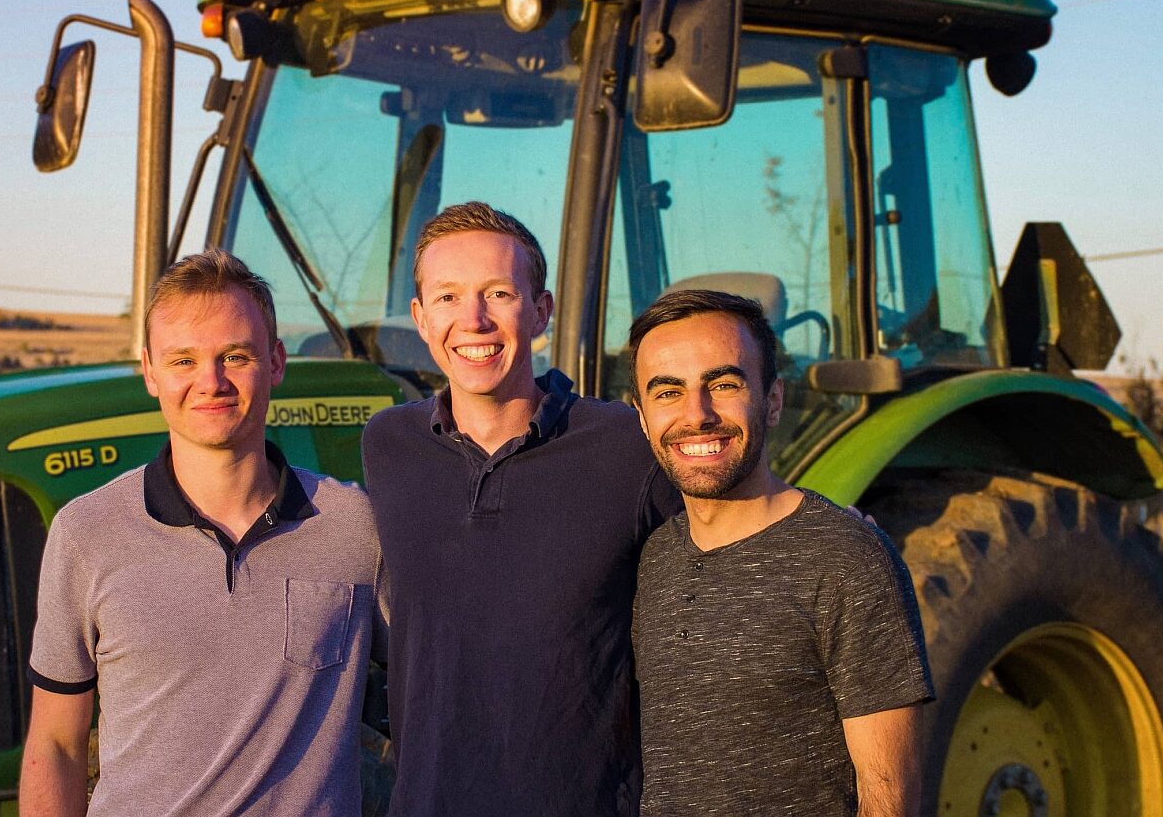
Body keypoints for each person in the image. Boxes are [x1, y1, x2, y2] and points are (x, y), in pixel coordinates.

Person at [19, 250, 384, 817]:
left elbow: (447, 687)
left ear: (277, 362)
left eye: (234, 356)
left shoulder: (355, 527)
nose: (210, 382)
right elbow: (57, 745)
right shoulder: (86, 534)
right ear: (150, 371)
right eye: (183, 360)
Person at [361, 202, 685, 817]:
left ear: (541, 311)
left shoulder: (627, 445)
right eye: (449, 297)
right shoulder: (388, 446)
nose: (473, 320)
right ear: (421, 318)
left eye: (499, 293)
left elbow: (732, 545)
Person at [627, 289, 934, 816]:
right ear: (641, 416)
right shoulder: (655, 557)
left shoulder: (847, 560)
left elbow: (889, 800)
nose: (696, 415)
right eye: (668, 392)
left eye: (723, 384)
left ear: (772, 400)